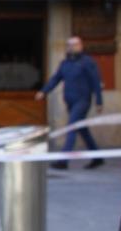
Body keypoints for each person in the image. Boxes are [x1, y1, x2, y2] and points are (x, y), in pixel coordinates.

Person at [42, 36, 105, 169]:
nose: (71, 47)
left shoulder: (87, 62)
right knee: (82, 129)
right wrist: (44, 91)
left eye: (74, 45)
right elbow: (56, 79)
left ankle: (63, 160)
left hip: (83, 100)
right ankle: (98, 157)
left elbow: (96, 82)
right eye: (69, 45)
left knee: (72, 126)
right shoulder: (65, 63)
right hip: (70, 100)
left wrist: (99, 101)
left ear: (81, 46)